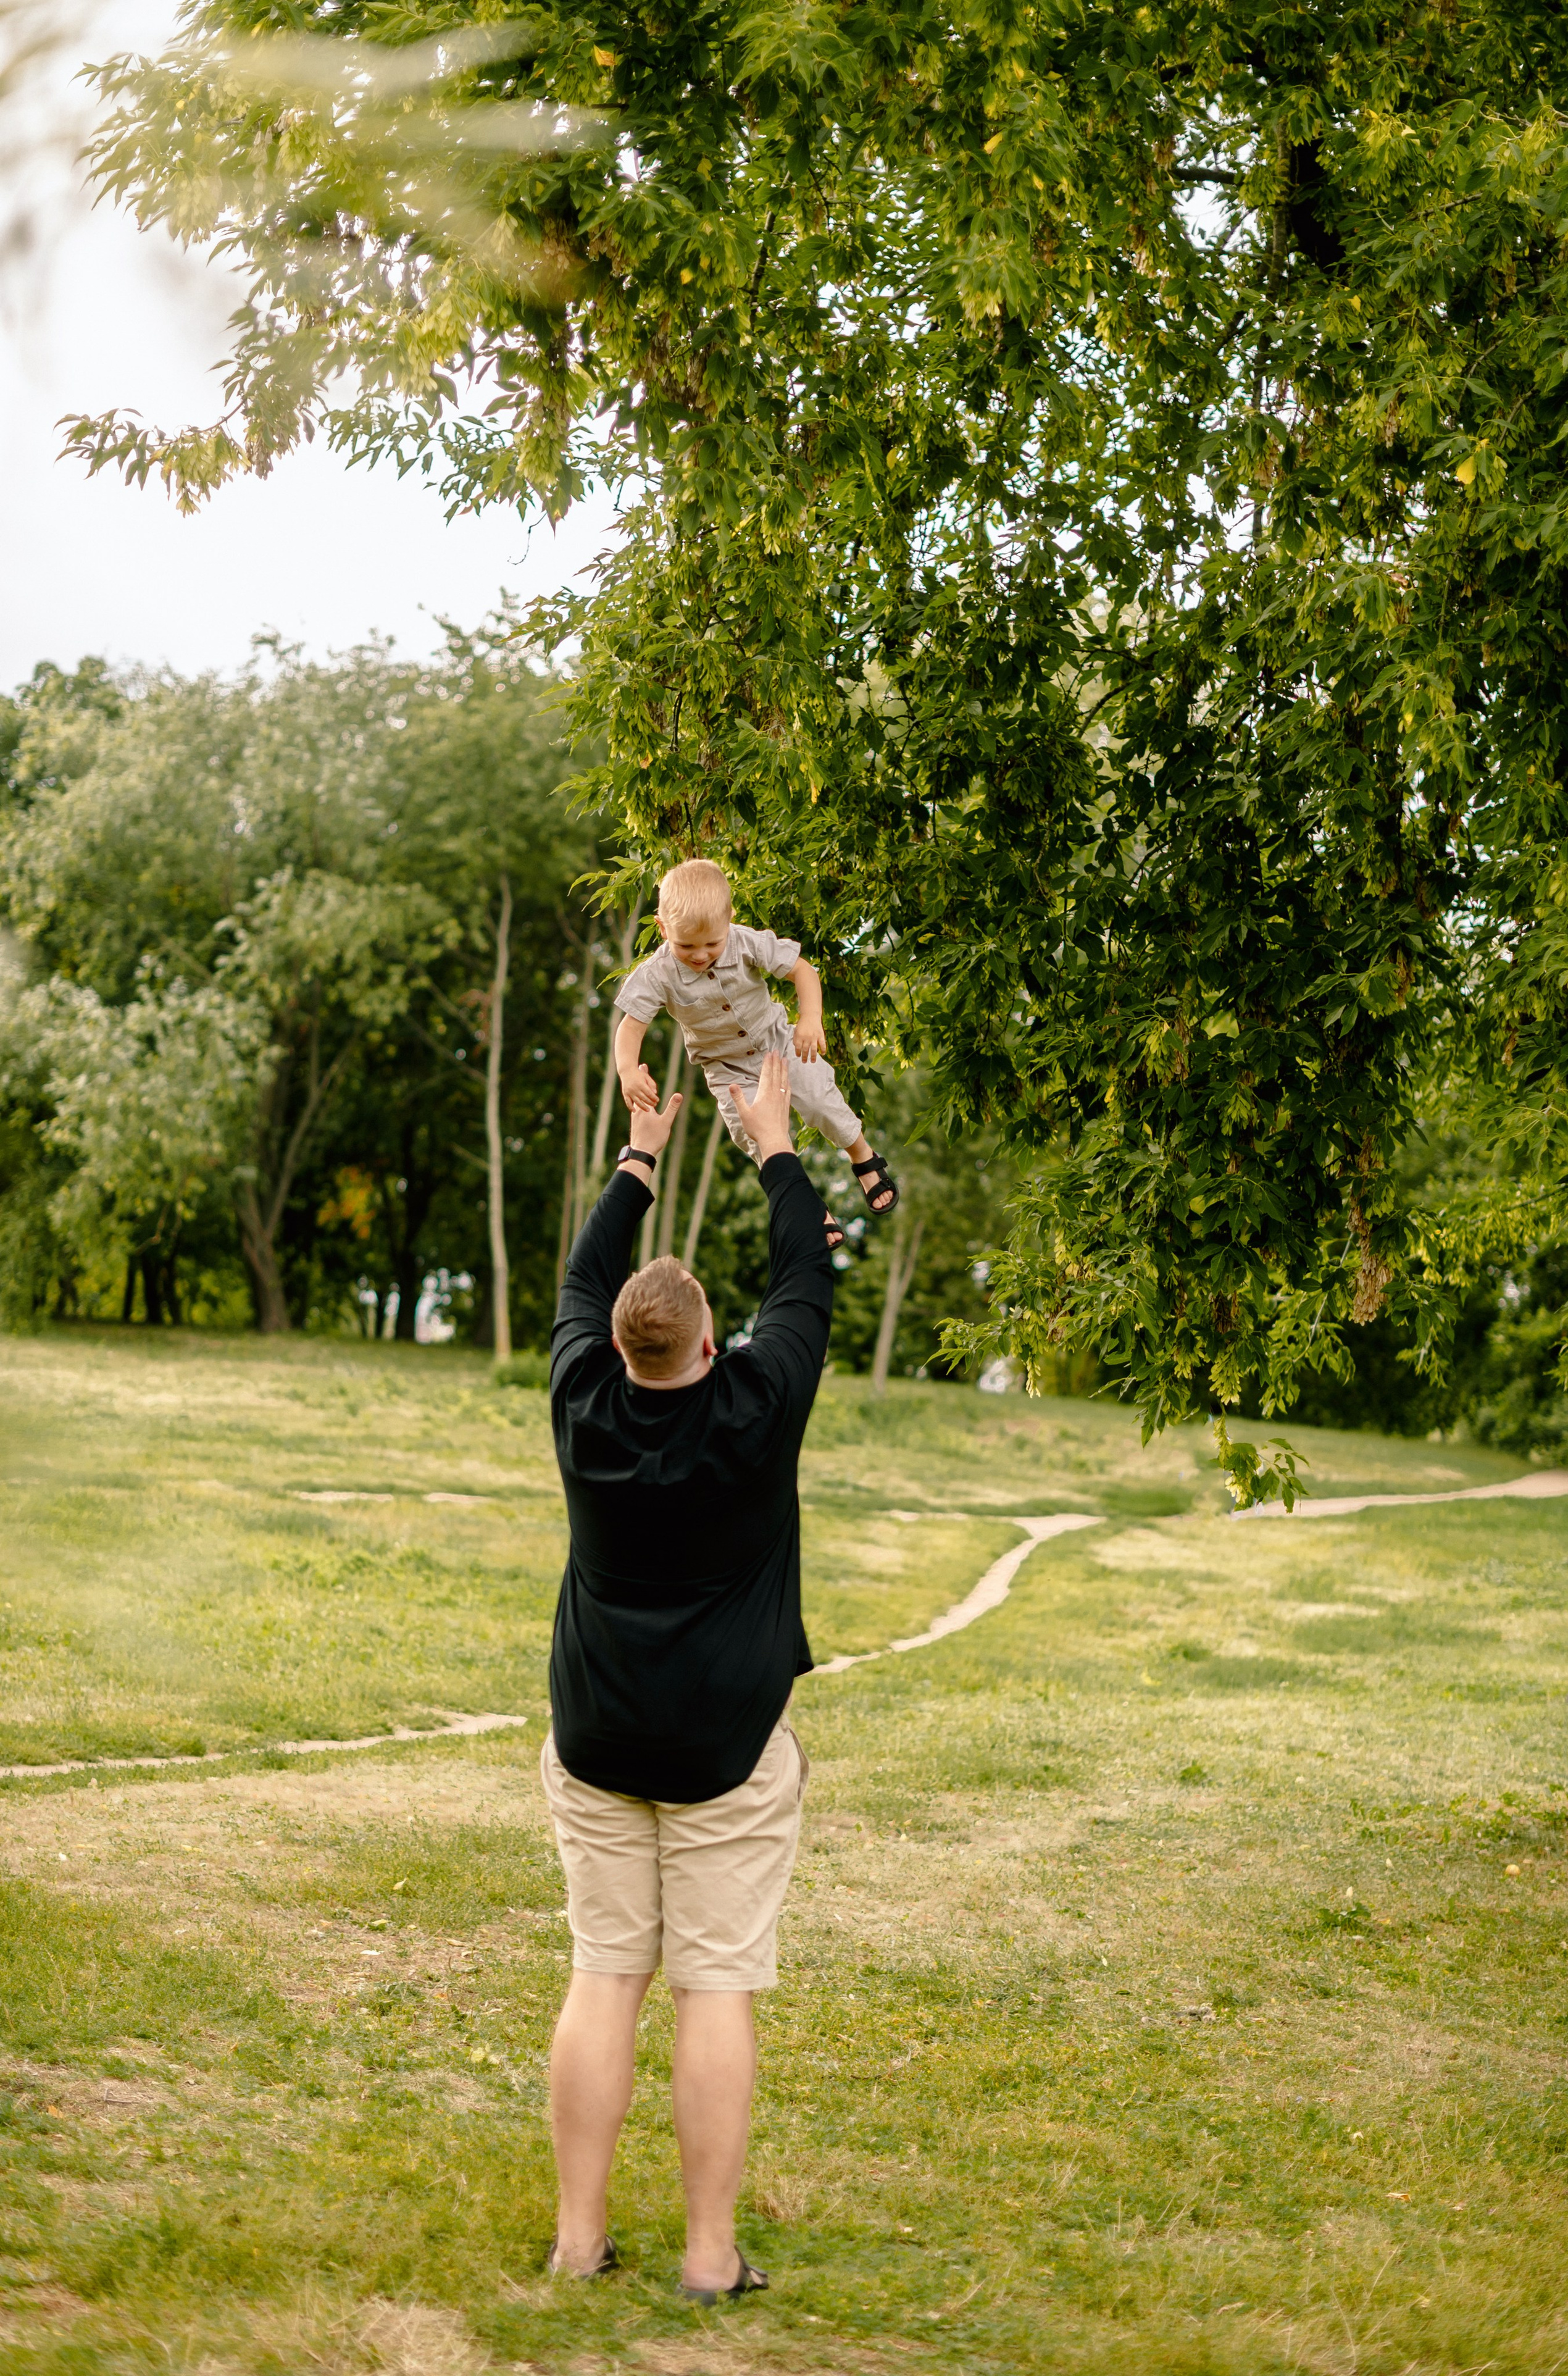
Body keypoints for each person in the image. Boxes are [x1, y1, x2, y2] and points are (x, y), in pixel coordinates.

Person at [540, 1050, 832, 2302]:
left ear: (614, 1347)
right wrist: (769, 1138)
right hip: (726, 1754)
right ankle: (709, 2258)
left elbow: (579, 1277)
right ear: (714, 1342)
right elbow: (806, 1274)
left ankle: (575, 2241)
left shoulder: (577, 1399)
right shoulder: (758, 1399)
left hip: (600, 1738)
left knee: (606, 1974)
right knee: (715, 1987)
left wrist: (640, 1147)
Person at [612, 856, 899, 1224]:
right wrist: (627, 1072)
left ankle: (863, 1156)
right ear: (663, 929)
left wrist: (810, 1018)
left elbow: (802, 970)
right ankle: (807, 1205)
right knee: (757, 1137)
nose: (700, 956)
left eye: (712, 944)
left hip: (778, 1042)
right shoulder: (656, 974)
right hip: (726, 1069)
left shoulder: (745, 942)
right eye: (687, 947)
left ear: (730, 917)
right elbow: (631, 1026)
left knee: (820, 1098)